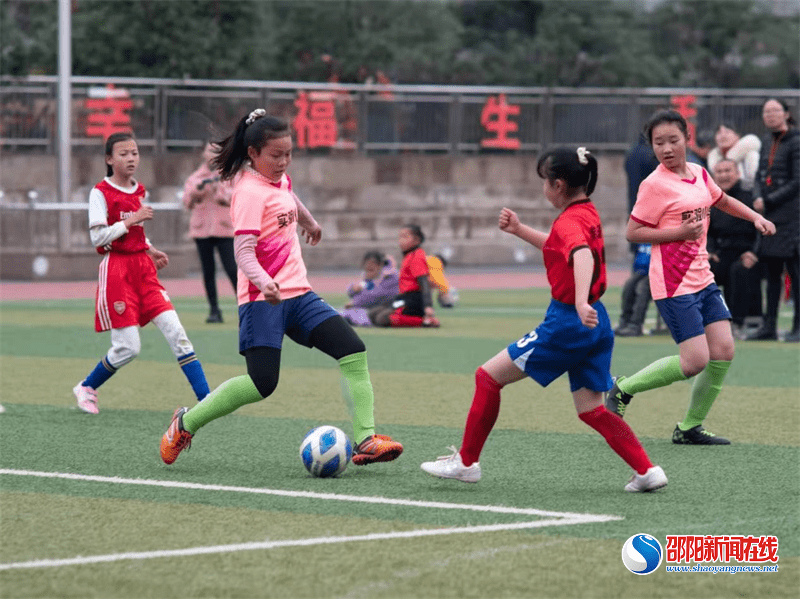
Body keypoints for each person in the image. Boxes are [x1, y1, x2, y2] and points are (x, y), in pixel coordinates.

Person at [159, 110, 403, 466]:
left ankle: (366, 439)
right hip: (262, 300)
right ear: (254, 152)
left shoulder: (278, 180)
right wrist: (264, 281)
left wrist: (310, 223)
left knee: (352, 349)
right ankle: (186, 423)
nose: (284, 161)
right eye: (276, 155)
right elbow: (242, 251)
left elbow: (289, 195)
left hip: (299, 294)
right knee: (262, 383)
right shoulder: (247, 193)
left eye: (289, 154)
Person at [421, 147, 667, 493]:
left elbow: (580, 255)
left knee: (488, 377)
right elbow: (561, 247)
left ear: (558, 185)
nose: (543, 188)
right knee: (591, 409)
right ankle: (647, 470)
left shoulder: (568, 222)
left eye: (544, 181)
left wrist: (579, 301)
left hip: (569, 322)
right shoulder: (586, 212)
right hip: (597, 324)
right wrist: (520, 230)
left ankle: (466, 462)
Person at [605, 110, 775, 445]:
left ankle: (689, 428)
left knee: (724, 351)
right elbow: (633, 232)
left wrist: (756, 217)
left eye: (673, 140)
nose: (666, 148)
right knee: (694, 361)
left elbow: (722, 200)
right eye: (658, 143)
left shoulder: (699, 172)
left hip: (703, 278)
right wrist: (679, 231)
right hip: (673, 281)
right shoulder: (654, 185)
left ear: (687, 138)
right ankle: (623, 388)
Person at [73, 132, 211, 414]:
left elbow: (136, 233)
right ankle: (87, 387)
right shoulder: (100, 192)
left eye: (134, 153)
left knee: (177, 332)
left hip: (143, 270)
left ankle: (207, 401)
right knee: (129, 348)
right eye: (123, 154)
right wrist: (133, 220)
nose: (131, 158)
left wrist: (150, 249)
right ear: (109, 159)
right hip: (117, 271)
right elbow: (99, 238)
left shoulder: (139, 190)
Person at [747, 98, 800, 342]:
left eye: (775, 111)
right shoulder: (766, 141)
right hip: (769, 217)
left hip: (791, 217)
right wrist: (758, 197)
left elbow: (796, 182)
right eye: (766, 112)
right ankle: (769, 326)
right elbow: (759, 175)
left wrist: (768, 200)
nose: (770, 116)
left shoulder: (796, 140)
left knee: (795, 272)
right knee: (771, 273)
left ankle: (797, 327)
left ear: (786, 114)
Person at [708, 159, 764, 339]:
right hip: (723, 251)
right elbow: (707, 232)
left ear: (738, 174)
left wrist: (754, 253)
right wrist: (710, 251)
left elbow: (761, 229)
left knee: (737, 271)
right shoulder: (711, 201)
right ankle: (707, 323)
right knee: (705, 271)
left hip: (748, 252)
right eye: (720, 172)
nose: (724, 175)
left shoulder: (749, 198)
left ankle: (736, 323)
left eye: (728, 171)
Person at [183, 141, 238, 323]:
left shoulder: (229, 175)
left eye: (217, 151)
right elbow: (186, 202)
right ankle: (214, 310)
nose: (213, 154)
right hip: (202, 230)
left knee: (232, 268)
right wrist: (195, 195)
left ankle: (245, 306)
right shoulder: (196, 177)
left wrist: (219, 192)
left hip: (224, 229)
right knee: (208, 271)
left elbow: (236, 197)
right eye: (210, 151)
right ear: (204, 154)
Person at [368, 224, 440, 328]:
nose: (401, 240)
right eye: (400, 237)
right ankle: (399, 313)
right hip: (403, 298)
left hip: (413, 300)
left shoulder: (417, 256)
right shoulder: (408, 255)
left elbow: (423, 282)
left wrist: (428, 306)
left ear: (417, 240)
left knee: (382, 319)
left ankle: (425, 321)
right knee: (373, 314)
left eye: (405, 237)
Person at [341, 250, 399, 327]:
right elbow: (354, 289)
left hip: (389, 306)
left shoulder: (389, 276)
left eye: (372, 263)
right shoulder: (370, 277)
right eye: (366, 263)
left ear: (380, 264)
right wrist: (353, 289)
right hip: (374, 307)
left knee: (361, 315)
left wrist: (354, 303)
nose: (368, 266)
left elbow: (376, 295)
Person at [706, 123, 761, 190]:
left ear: (737, 136)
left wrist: (729, 159)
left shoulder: (751, 153)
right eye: (719, 133)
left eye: (727, 132)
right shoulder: (713, 156)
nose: (723, 136)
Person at [615, 243, 652, 337]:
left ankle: (635, 326)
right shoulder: (640, 237)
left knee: (642, 288)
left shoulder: (660, 235)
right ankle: (624, 322)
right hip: (640, 272)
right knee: (629, 286)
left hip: (655, 274)